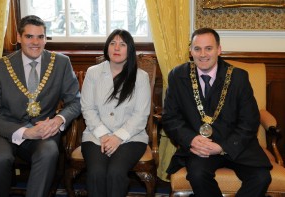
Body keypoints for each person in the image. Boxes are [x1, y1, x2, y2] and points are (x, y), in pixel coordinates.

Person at [162, 27, 272, 197]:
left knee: (261, 177)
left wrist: (222, 147)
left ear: (219, 50)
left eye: (209, 48)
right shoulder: (177, 76)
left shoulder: (238, 77)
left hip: (235, 145)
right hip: (200, 147)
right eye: (197, 49)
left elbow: (249, 121)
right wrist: (191, 139)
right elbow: (170, 118)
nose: (203, 54)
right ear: (191, 51)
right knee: (197, 175)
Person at [0, 15, 81, 197]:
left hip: (43, 131)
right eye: (29, 36)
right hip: (4, 131)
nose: (35, 42)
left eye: (40, 37)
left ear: (46, 39)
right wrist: (25, 132)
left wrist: (58, 120)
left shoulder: (61, 63)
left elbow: (75, 101)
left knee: (49, 153)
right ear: (19, 38)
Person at [80, 29, 151, 197]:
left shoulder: (140, 77)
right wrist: (104, 135)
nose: (116, 48)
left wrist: (118, 137)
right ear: (107, 48)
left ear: (130, 49)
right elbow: (87, 108)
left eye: (122, 44)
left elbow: (141, 115)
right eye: (113, 43)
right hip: (95, 136)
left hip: (132, 137)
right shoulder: (93, 73)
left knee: (116, 173)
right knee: (96, 173)